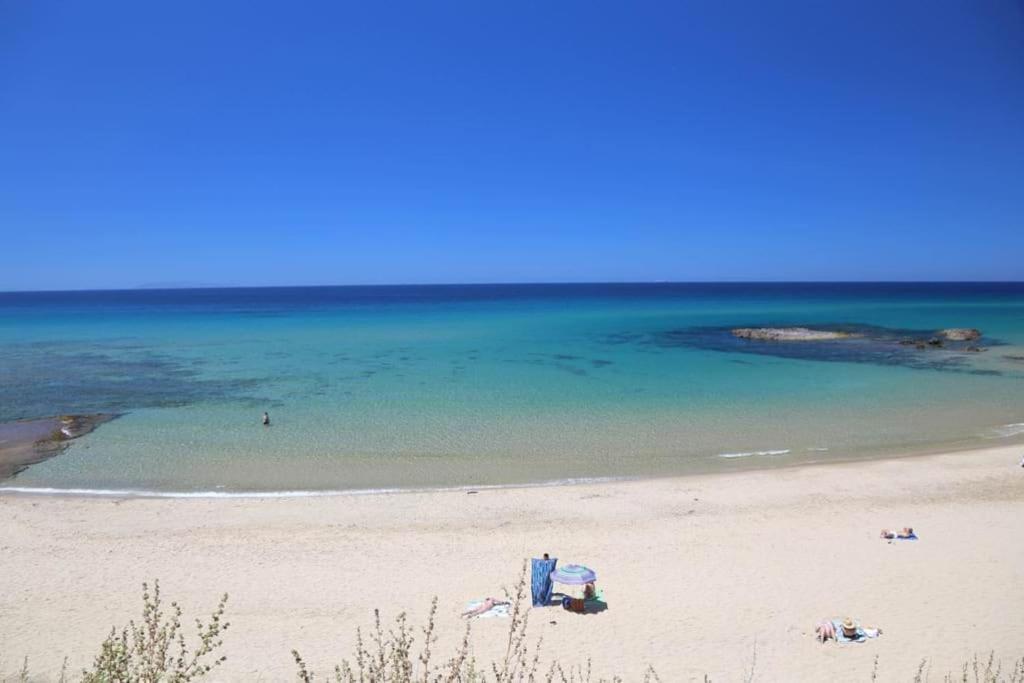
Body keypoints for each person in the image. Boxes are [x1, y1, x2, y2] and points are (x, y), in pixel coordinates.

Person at [816, 617, 881, 643]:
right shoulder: (856, 630)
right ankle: (875, 631)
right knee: (866, 632)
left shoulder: (841, 631)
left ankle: (875, 631)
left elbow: (837, 637)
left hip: (850, 635)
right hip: (854, 635)